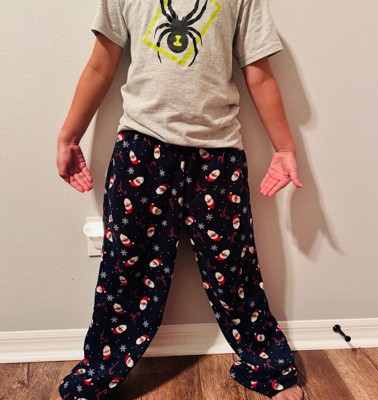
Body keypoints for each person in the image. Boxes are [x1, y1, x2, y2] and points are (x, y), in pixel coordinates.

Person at [56, 0, 304, 399]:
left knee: (235, 270)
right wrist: (69, 137)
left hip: (218, 155)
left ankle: (266, 364)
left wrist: (285, 147)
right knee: (125, 270)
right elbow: (101, 65)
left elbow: (259, 73)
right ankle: (99, 372)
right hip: (141, 149)